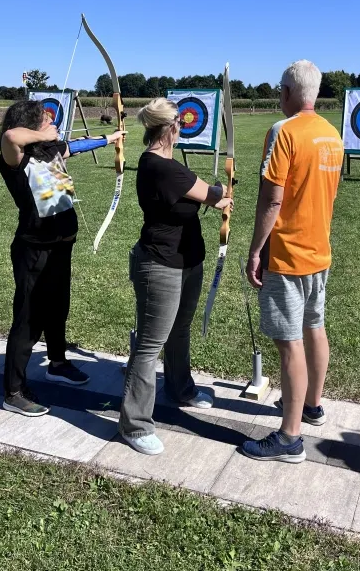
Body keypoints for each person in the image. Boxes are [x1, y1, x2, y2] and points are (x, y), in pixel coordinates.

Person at [242, 60, 343, 463]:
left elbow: (272, 199)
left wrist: (256, 250)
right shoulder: (331, 133)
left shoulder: (282, 131)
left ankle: (290, 437)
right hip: (319, 250)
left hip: (286, 254)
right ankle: (312, 406)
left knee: (289, 343)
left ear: (287, 92)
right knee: (314, 326)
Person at [119, 98, 233, 455]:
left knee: (180, 329)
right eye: (180, 124)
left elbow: (200, 193)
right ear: (170, 128)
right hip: (160, 264)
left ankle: (180, 388)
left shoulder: (168, 164)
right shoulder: (160, 166)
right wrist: (222, 191)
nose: (182, 129)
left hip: (187, 260)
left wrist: (216, 193)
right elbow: (213, 196)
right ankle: (135, 425)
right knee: (150, 344)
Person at [0, 100, 124, 416]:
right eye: (44, 120)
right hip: (33, 249)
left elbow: (77, 146)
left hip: (61, 245)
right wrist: (43, 133)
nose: (52, 123)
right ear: (29, 125)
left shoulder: (50, 150)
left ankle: (57, 363)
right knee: (28, 319)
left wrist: (109, 139)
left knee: (57, 308)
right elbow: (11, 136)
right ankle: (13, 391)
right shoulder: (15, 158)